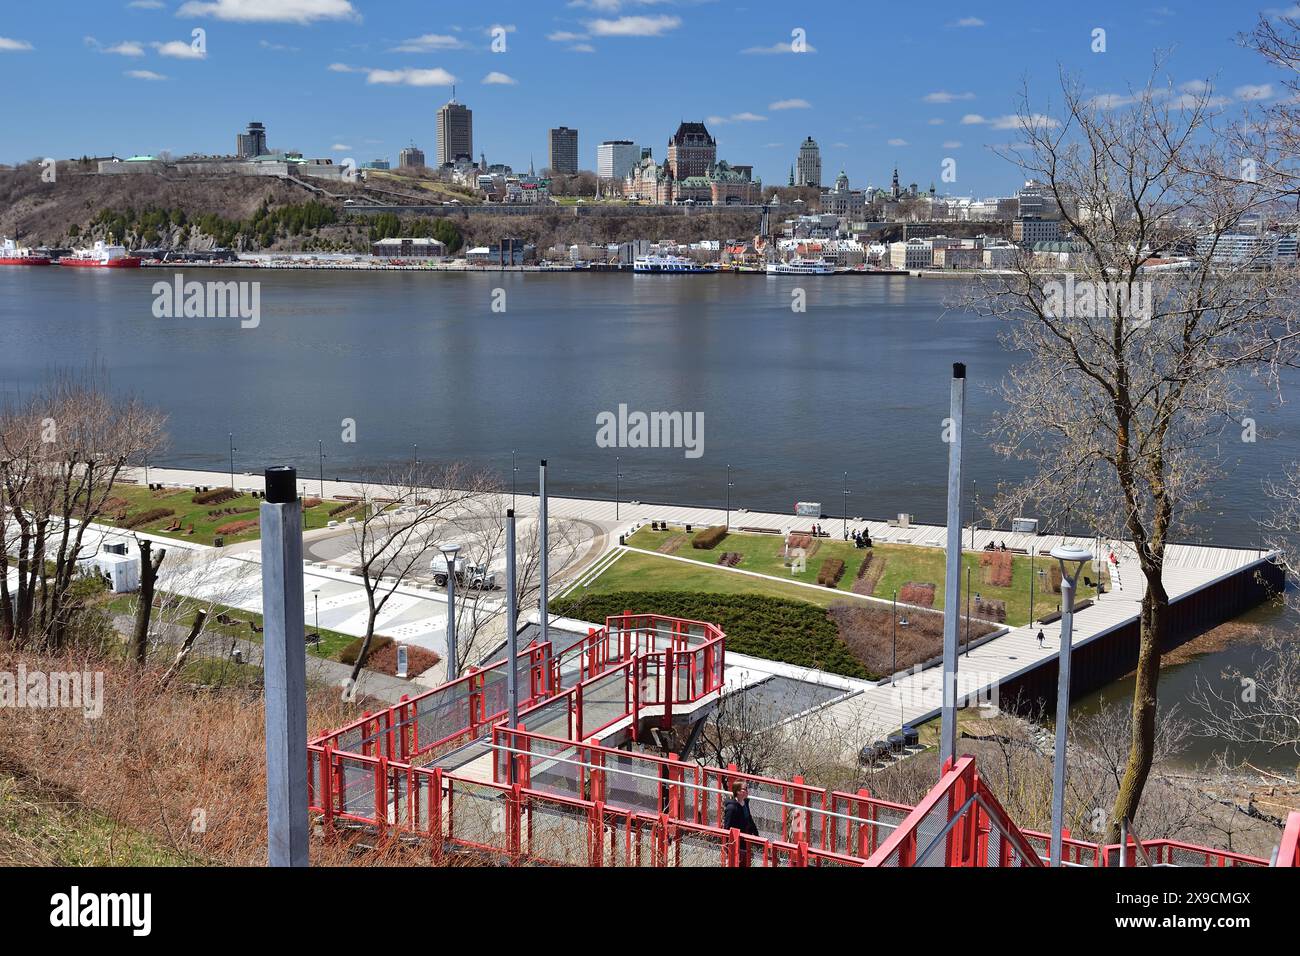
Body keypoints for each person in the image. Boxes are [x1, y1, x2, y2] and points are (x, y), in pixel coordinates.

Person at [722, 781, 760, 864]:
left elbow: (749, 819)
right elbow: (727, 828)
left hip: (745, 841)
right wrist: (728, 847)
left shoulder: (745, 803)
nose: (747, 791)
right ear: (738, 791)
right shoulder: (731, 808)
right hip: (736, 844)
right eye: (745, 789)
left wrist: (756, 835)